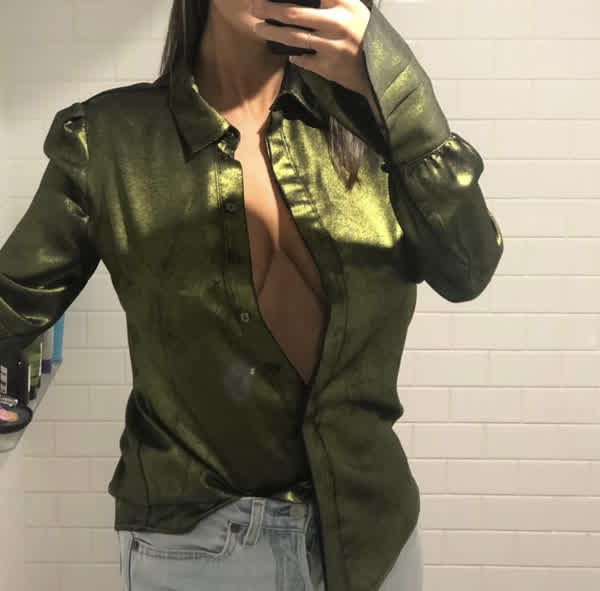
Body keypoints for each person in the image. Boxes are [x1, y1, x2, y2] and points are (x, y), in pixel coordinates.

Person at [0, 1, 503, 590]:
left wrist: (391, 85)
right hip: (197, 549)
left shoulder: (376, 130)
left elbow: (468, 267)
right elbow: (11, 304)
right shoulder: (109, 141)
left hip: (374, 542)